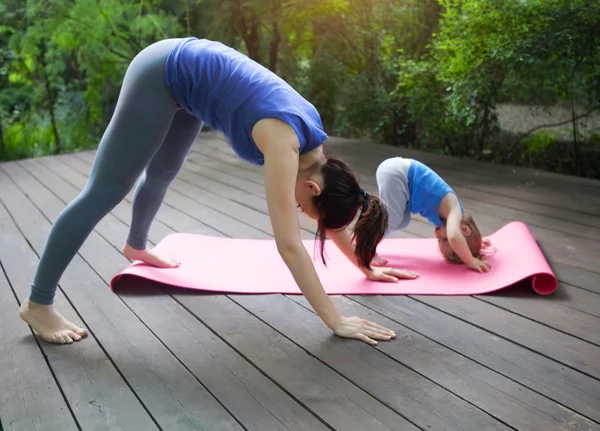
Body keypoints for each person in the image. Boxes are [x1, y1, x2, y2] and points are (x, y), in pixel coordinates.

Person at [18, 37, 416, 346]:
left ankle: (136, 246)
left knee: (163, 172)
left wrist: (365, 264)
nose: (296, 207)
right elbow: (289, 245)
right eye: (301, 205)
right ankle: (38, 303)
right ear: (312, 187)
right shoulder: (285, 142)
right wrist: (335, 319)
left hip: (191, 89)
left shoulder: (319, 162)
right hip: (162, 71)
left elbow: (328, 214)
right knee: (106, 190)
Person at [371, 156, 492, 271]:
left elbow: (458, 236)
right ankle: (365, 249)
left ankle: (367, 230)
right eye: (445, 239)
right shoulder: (454, 212)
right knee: (393, 219)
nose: (437, 236)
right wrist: (470, 260)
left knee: (402, 221)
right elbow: (455, 236)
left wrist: (477, 241)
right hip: (398, 174)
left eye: (439, 241)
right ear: (465, 230)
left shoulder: (453, 217)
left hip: (399, 177)